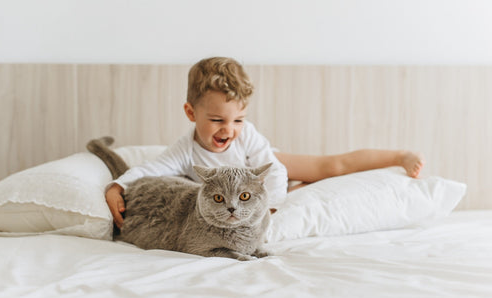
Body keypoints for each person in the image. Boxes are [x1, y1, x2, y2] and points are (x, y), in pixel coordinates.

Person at [105, 57, 424, 228]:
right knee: (308, 191)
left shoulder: (248, 137)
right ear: (191, 112)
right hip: (243, 194)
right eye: (217, 120)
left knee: (330, 166)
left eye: (237, 120)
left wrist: (269, 207)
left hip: (266, 172)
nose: (228, 130)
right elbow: (152, 170)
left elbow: (272, 171)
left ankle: (398, 155)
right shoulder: (185, 150)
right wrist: (118, 186)